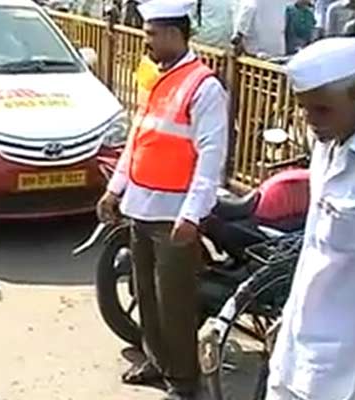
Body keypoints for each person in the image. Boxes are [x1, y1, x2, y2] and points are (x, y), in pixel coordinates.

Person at [97, 0, 228, 398]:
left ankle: (185, 382)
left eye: (151, 33)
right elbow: (139, 140)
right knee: (146, 295)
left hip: (173, 218)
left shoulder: (203, 87)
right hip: (140, 209)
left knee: (175, 304)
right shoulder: (158, 78)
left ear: (174, 34)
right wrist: (114, 190)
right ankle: (157, 362)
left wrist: (191, 215)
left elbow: (211, 160)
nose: (146, 40)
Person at [266, 37, 355, 400]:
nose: (310, 122)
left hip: (347, 359)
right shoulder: (326, 146)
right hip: (297, 340)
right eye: (304, 109)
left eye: (321, 110)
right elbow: (315, 247)